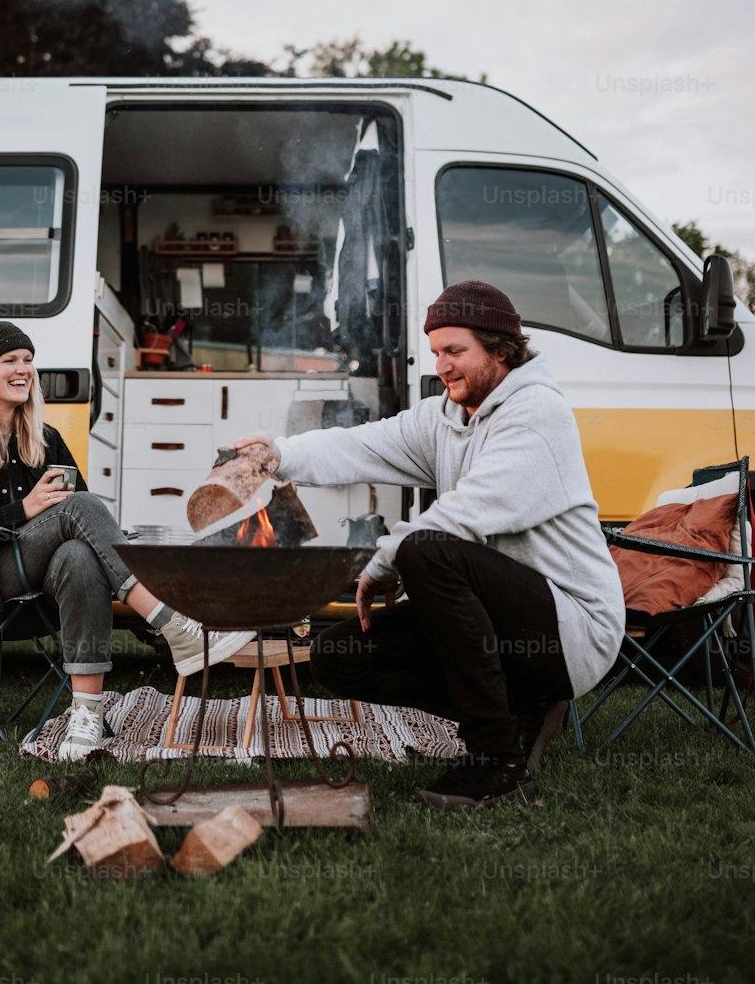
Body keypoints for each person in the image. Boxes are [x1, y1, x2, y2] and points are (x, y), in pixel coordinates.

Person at [235, 280, 624, 809]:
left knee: (426, 549)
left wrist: (382, 562)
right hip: (499, 622)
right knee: (336, 655)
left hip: (570, 627)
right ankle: (511, 713)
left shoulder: (537, 415)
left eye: (456, 351)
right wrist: (279, 453)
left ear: (500, 349)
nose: (442, 365)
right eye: (437, 351)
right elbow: (363, 444)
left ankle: (497, 765)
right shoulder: (444, 416)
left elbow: (467, 513)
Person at [0, 320, 253, 761]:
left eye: (28, 361)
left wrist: (53, 513)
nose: (23, 370)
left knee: (79, 554)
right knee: (81, 505)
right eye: (10, 360)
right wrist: (22, 510)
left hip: (44, 582)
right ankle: (171, 623)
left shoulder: (45, 439)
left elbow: (84, 522)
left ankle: (86, 716)